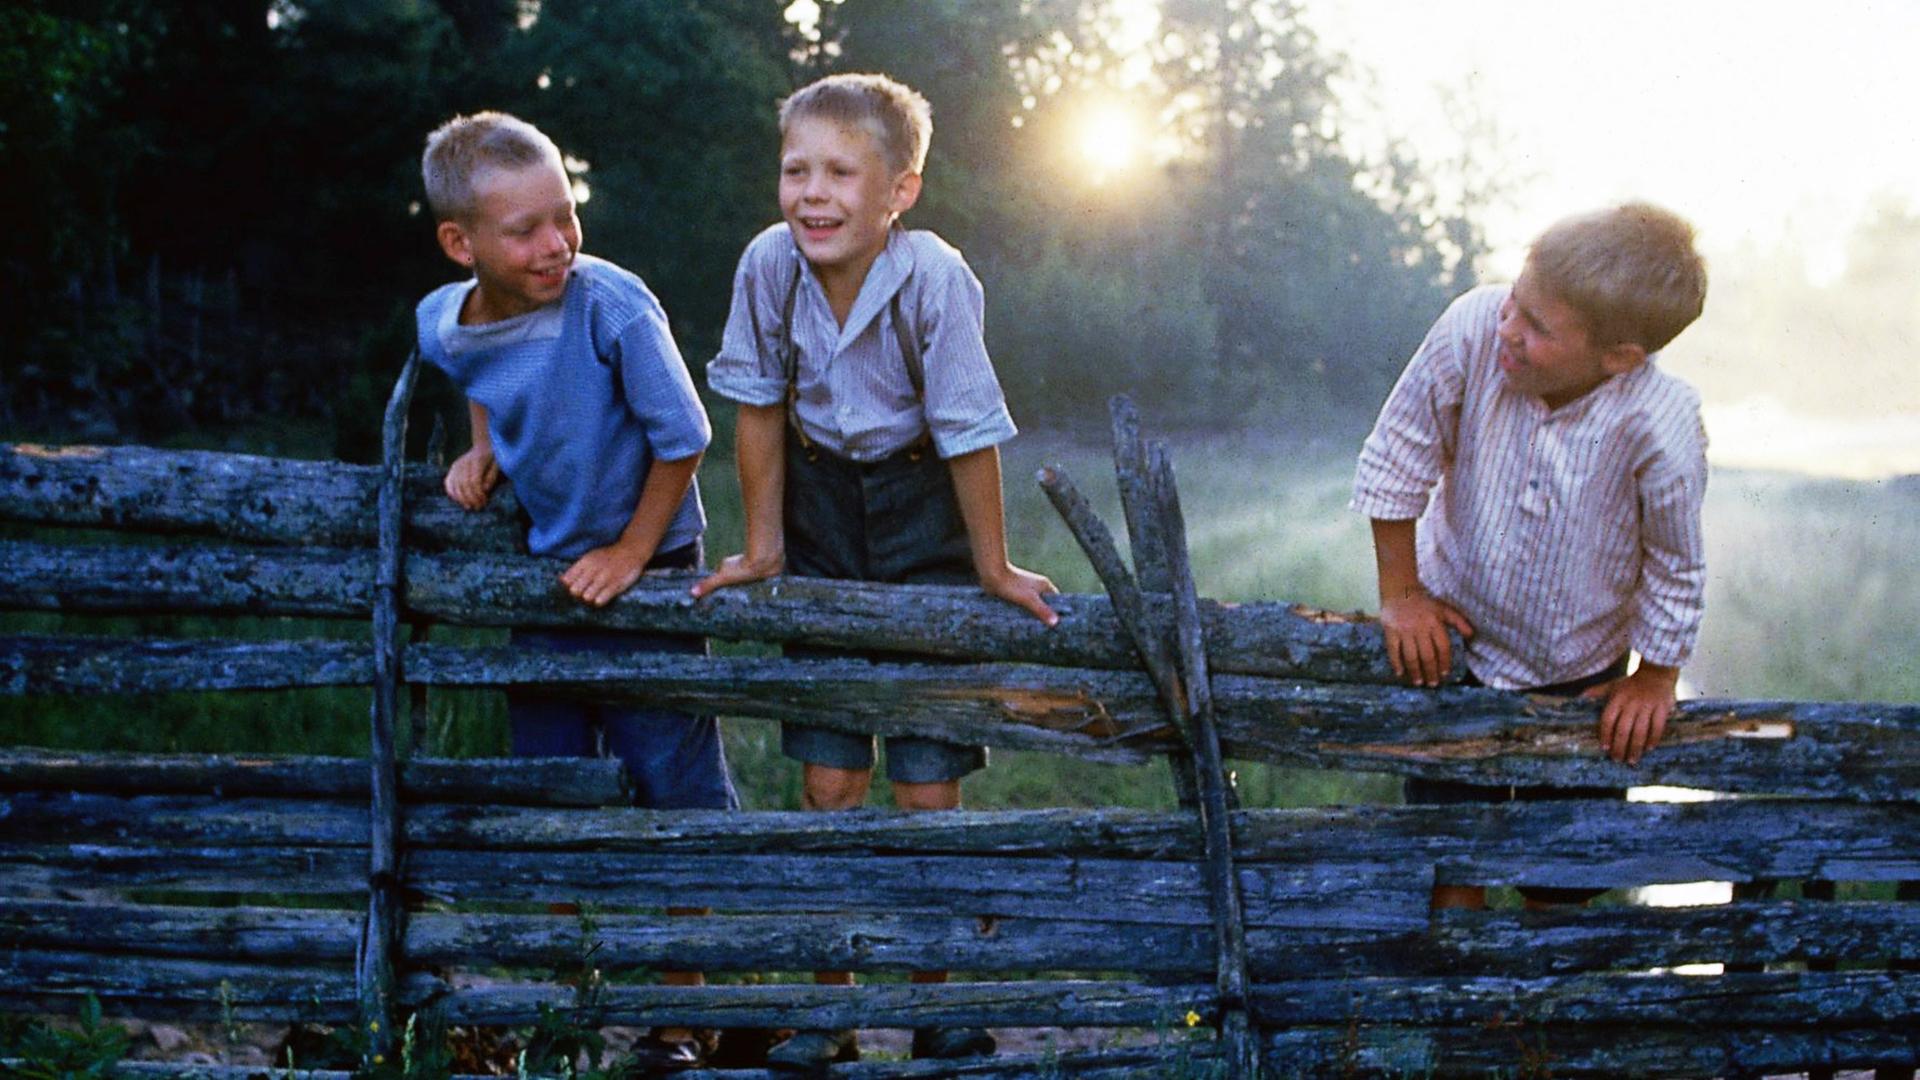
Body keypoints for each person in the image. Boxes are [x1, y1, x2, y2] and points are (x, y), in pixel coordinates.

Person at [692, 72, 1058, 1069]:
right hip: (818, 517)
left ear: (900, 190)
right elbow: (758, 411)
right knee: (827, 778)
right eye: (795, 169)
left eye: (840, 173)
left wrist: (990, 566)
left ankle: (938, 1002)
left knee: (926, 784)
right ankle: (832, 1002)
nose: (811, 193)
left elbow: (969, 430)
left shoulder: (934, 277)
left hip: (923, 514)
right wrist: (765, 546)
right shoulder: (770, 266)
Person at [416, 110, 737, 1071]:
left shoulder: (612, 305)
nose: (557, 243)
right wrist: (481, 447)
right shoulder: (445, 316)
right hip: (548, 593)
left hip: (648, 582)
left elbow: (686, 440)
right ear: (460, 243)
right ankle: (569, 1006)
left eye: (566, 215)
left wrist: (634, 556)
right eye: (526, 230)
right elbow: (472, 362)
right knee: (550, 796)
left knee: (673, 795)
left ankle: (684, 1017)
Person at [1351, 201, 1710, 912]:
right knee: (1451, 850)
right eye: (1515, 303)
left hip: (1584, 667)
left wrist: (1656, 677)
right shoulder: (1471, 330)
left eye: (1537, 327)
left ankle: (1531, 1014)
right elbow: (1399, 452)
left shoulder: (1660, 423)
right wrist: (1402, 593)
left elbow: (1676, 561)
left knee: (1562, 871)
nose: (1509, 331)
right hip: (1456, 648)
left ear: (1619, 358)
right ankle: (1461, 999)